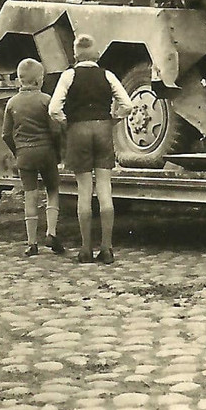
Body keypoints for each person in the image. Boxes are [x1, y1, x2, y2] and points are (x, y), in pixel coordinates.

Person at [49, 34, 131, 264]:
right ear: (97, 54)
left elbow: (53, 109)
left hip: (78, 131)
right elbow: (128, 104)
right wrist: (114, 119)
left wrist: (67, 122)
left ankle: (85, 249)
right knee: (105, 188)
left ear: (75, 55)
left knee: (84, 190)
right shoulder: (107, 75)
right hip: (103, 129)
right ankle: (107, 248)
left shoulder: (69, 76)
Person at [2, 58, 65, 257]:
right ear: (39, 80)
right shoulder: (46, 100)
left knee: (30, 195)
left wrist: (17, 150)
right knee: (52, 190)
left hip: (24, 154)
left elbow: (5, 134)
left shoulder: (12, 103)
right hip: (46, 152)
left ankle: (31, 243)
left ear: (20, 79)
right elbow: (55, 131)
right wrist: (58, 152)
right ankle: (51, 232)